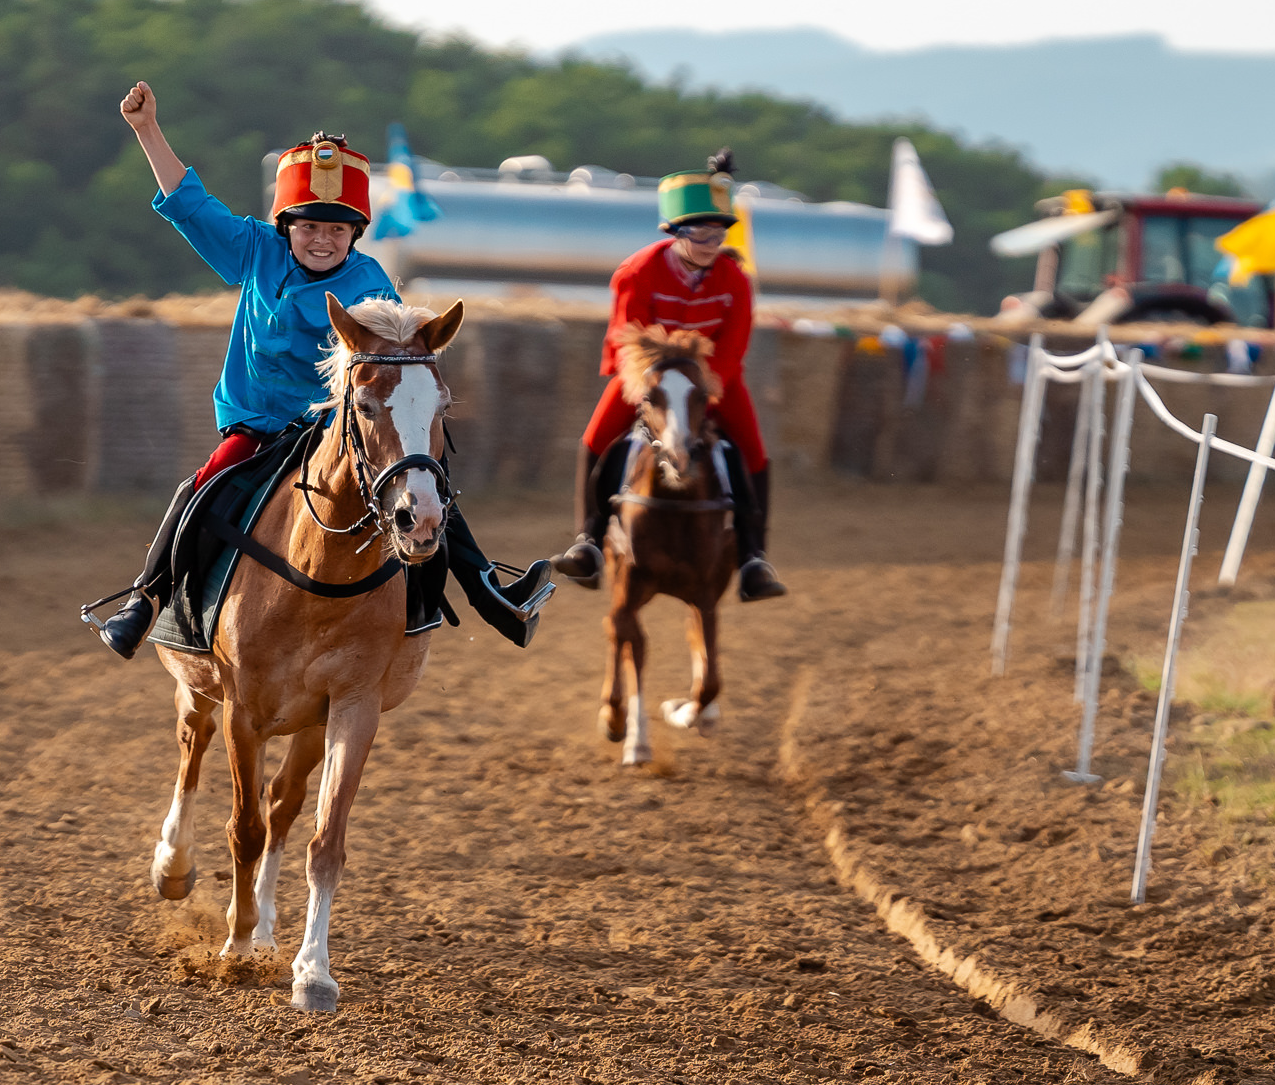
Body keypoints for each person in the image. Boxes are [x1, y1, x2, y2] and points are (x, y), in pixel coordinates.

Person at [91, 81, 553, 659]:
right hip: (257, 423)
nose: (322, 239)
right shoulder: (254, 250)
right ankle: (145, 600)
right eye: (309, 226)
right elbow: (190, 204)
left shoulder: (369, 281)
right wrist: (146, 130)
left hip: (335, 427)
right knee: (201, 488)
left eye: (336, 229)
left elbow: (394, 358)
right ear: (286, 226)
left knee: (427, 487)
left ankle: (491, 594)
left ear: (354, 234)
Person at [553, 150, 787, 602]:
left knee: (755, 453)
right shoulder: (636, 272)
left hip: (713, 381)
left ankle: (755, 558)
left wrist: (701, 392)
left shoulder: (735, 279)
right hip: (647, 379)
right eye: (699, 231)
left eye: (718, 230)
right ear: (674, 231)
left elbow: (734, 345)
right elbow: (629, 339)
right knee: (594, 440)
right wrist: (659, 391)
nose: (710, 240)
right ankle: (587, 542)